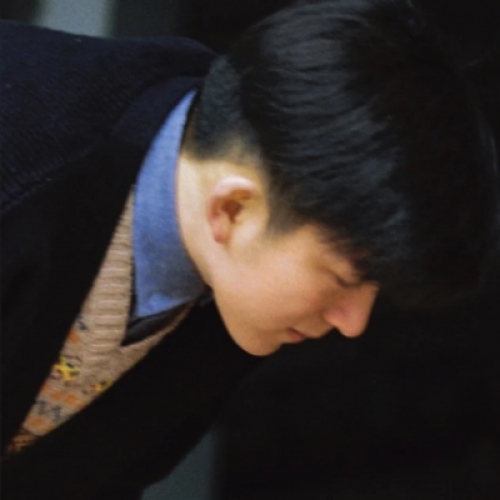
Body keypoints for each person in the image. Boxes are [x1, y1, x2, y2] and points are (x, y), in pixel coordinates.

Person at [1, 0, 498, 498]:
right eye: (342, 279)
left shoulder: (234, 292)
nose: (353, 323)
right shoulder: (26, 147)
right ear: (233, 209)